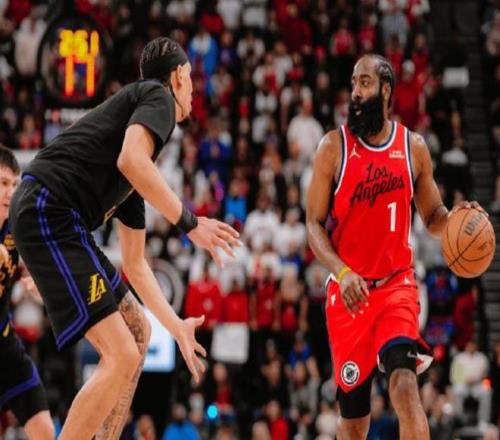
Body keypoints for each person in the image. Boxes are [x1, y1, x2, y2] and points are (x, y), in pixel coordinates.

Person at [9, 36, 240, 440]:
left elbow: (136, 265)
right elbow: (132, 159)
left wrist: (176, 326)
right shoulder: (159, 97)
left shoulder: (133, 170)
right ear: (178, 76)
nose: (192, 89)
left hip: (59, 217)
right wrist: (190, 223)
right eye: (190, 78)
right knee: (120, 354)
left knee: (138, 331)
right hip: (48, 210)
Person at [306, 54, 484, 439]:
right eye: (354, 83)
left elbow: (432, 215)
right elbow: (313, 225)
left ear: (386, 90)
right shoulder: (333, 148)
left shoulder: (412, 147)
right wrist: (341, 272)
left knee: (405, 387)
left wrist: (454, 220)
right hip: (349, 294)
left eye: (365, 82)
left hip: (396, 287)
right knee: (354, 423)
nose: (356, 92)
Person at [0, 146, 54, 439]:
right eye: (3, 183)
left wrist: (40, 280)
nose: (10, 192)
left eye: (14, 184)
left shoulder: (18, 224)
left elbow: (41, 262)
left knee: (44, 429)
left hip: (5, 342)